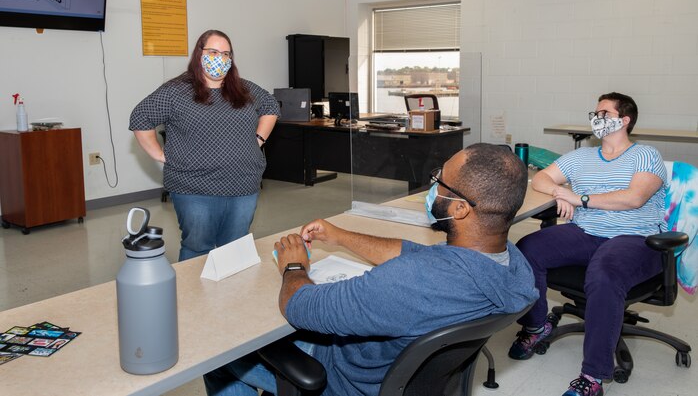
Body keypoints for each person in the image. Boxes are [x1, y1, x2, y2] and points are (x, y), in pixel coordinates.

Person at [204, 143, 539, 396]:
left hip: (347, 380)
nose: (433, 186)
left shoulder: (410, 283)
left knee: (220, 350)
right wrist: (341, 236)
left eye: (441, 181)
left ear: (460, 209)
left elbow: (301, 306)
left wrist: (294, 264)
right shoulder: (513, 266)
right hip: (411, 380)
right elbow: (414, 253)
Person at [507, 92, 667, 396]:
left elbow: (634, 198)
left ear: (625, 120)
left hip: (634, 237)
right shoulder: (580, 157)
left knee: (605, 273)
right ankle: (536, 326)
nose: (597, 118)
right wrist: (558, 191)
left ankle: (593, 377)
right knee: (528, 248)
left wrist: (578, 198)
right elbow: (541, 179)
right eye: (595, 112)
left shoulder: (645, 155)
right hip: (586, 233)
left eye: (604, 113)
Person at [129, 29, 280, 261]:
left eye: (226, 54)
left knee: (236, 248)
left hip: (244, 184)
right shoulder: (177, 91)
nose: (219, 58)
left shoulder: (244, 89)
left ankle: (231, 297)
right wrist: (160, 154)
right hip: (194, 188)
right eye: (213, 51)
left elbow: (271, 107)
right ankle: (194, 297)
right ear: (199, 54)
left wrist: (258, 140)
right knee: (198, 248)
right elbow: (140, 117)